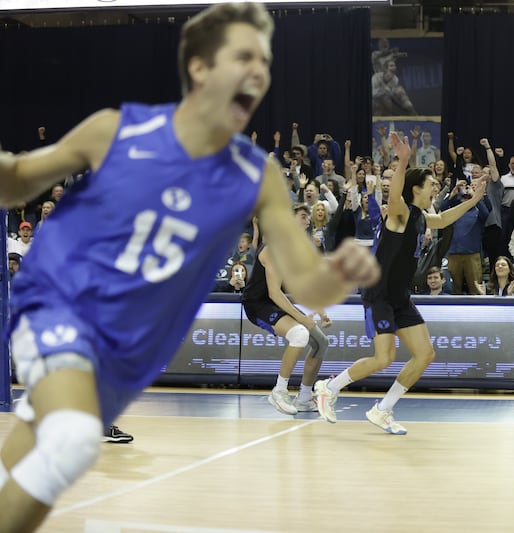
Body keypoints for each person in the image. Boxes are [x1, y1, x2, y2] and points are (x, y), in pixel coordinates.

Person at [0, 5, 379, 531]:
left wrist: (340, 272)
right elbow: (19, 179)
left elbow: (307, 278)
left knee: (43, 439)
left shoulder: (256, 175)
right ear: (200, 68)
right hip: (59, 299)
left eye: (264, 61)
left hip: (126, 346)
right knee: (67, 437)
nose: (259, 71)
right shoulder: (117, 130)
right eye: (243, 56)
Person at [313, 132, 488, 434]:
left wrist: (473, 200)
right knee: (384, 358)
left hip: (400, 296)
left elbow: (444, 219)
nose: (436, 187)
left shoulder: (420, 216)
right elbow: (395, 195)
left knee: (426, 354)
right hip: (378, 293)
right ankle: (329, 387)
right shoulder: (401, 212)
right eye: (432, 184)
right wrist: (404, 161)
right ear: (416, 188)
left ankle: (383, 409)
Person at [242, 204, 331, 415]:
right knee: (300, 334)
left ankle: (303, 398)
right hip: (257, 305)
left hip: (273, 303)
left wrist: (321, 312)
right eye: (302, 216)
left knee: (321, 343)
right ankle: (279, 391)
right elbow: (274, 293)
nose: (307, 220)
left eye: (308, 217)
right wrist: (301, 317)